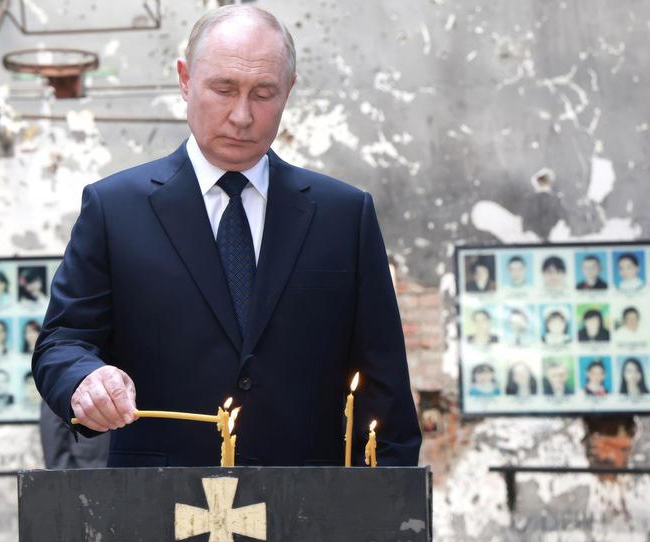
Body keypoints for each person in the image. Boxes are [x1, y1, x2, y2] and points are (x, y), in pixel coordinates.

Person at [32, 5, 420, 469]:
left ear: (289, 91)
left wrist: (388, 517)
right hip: (154, 506)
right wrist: (85, 379)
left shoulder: (343, 216)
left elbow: (385, 388)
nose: (241, 115)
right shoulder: (114, 209)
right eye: (223, 89)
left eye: (263, 93)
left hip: (308, 507)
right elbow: (62, 341)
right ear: (184, 79)